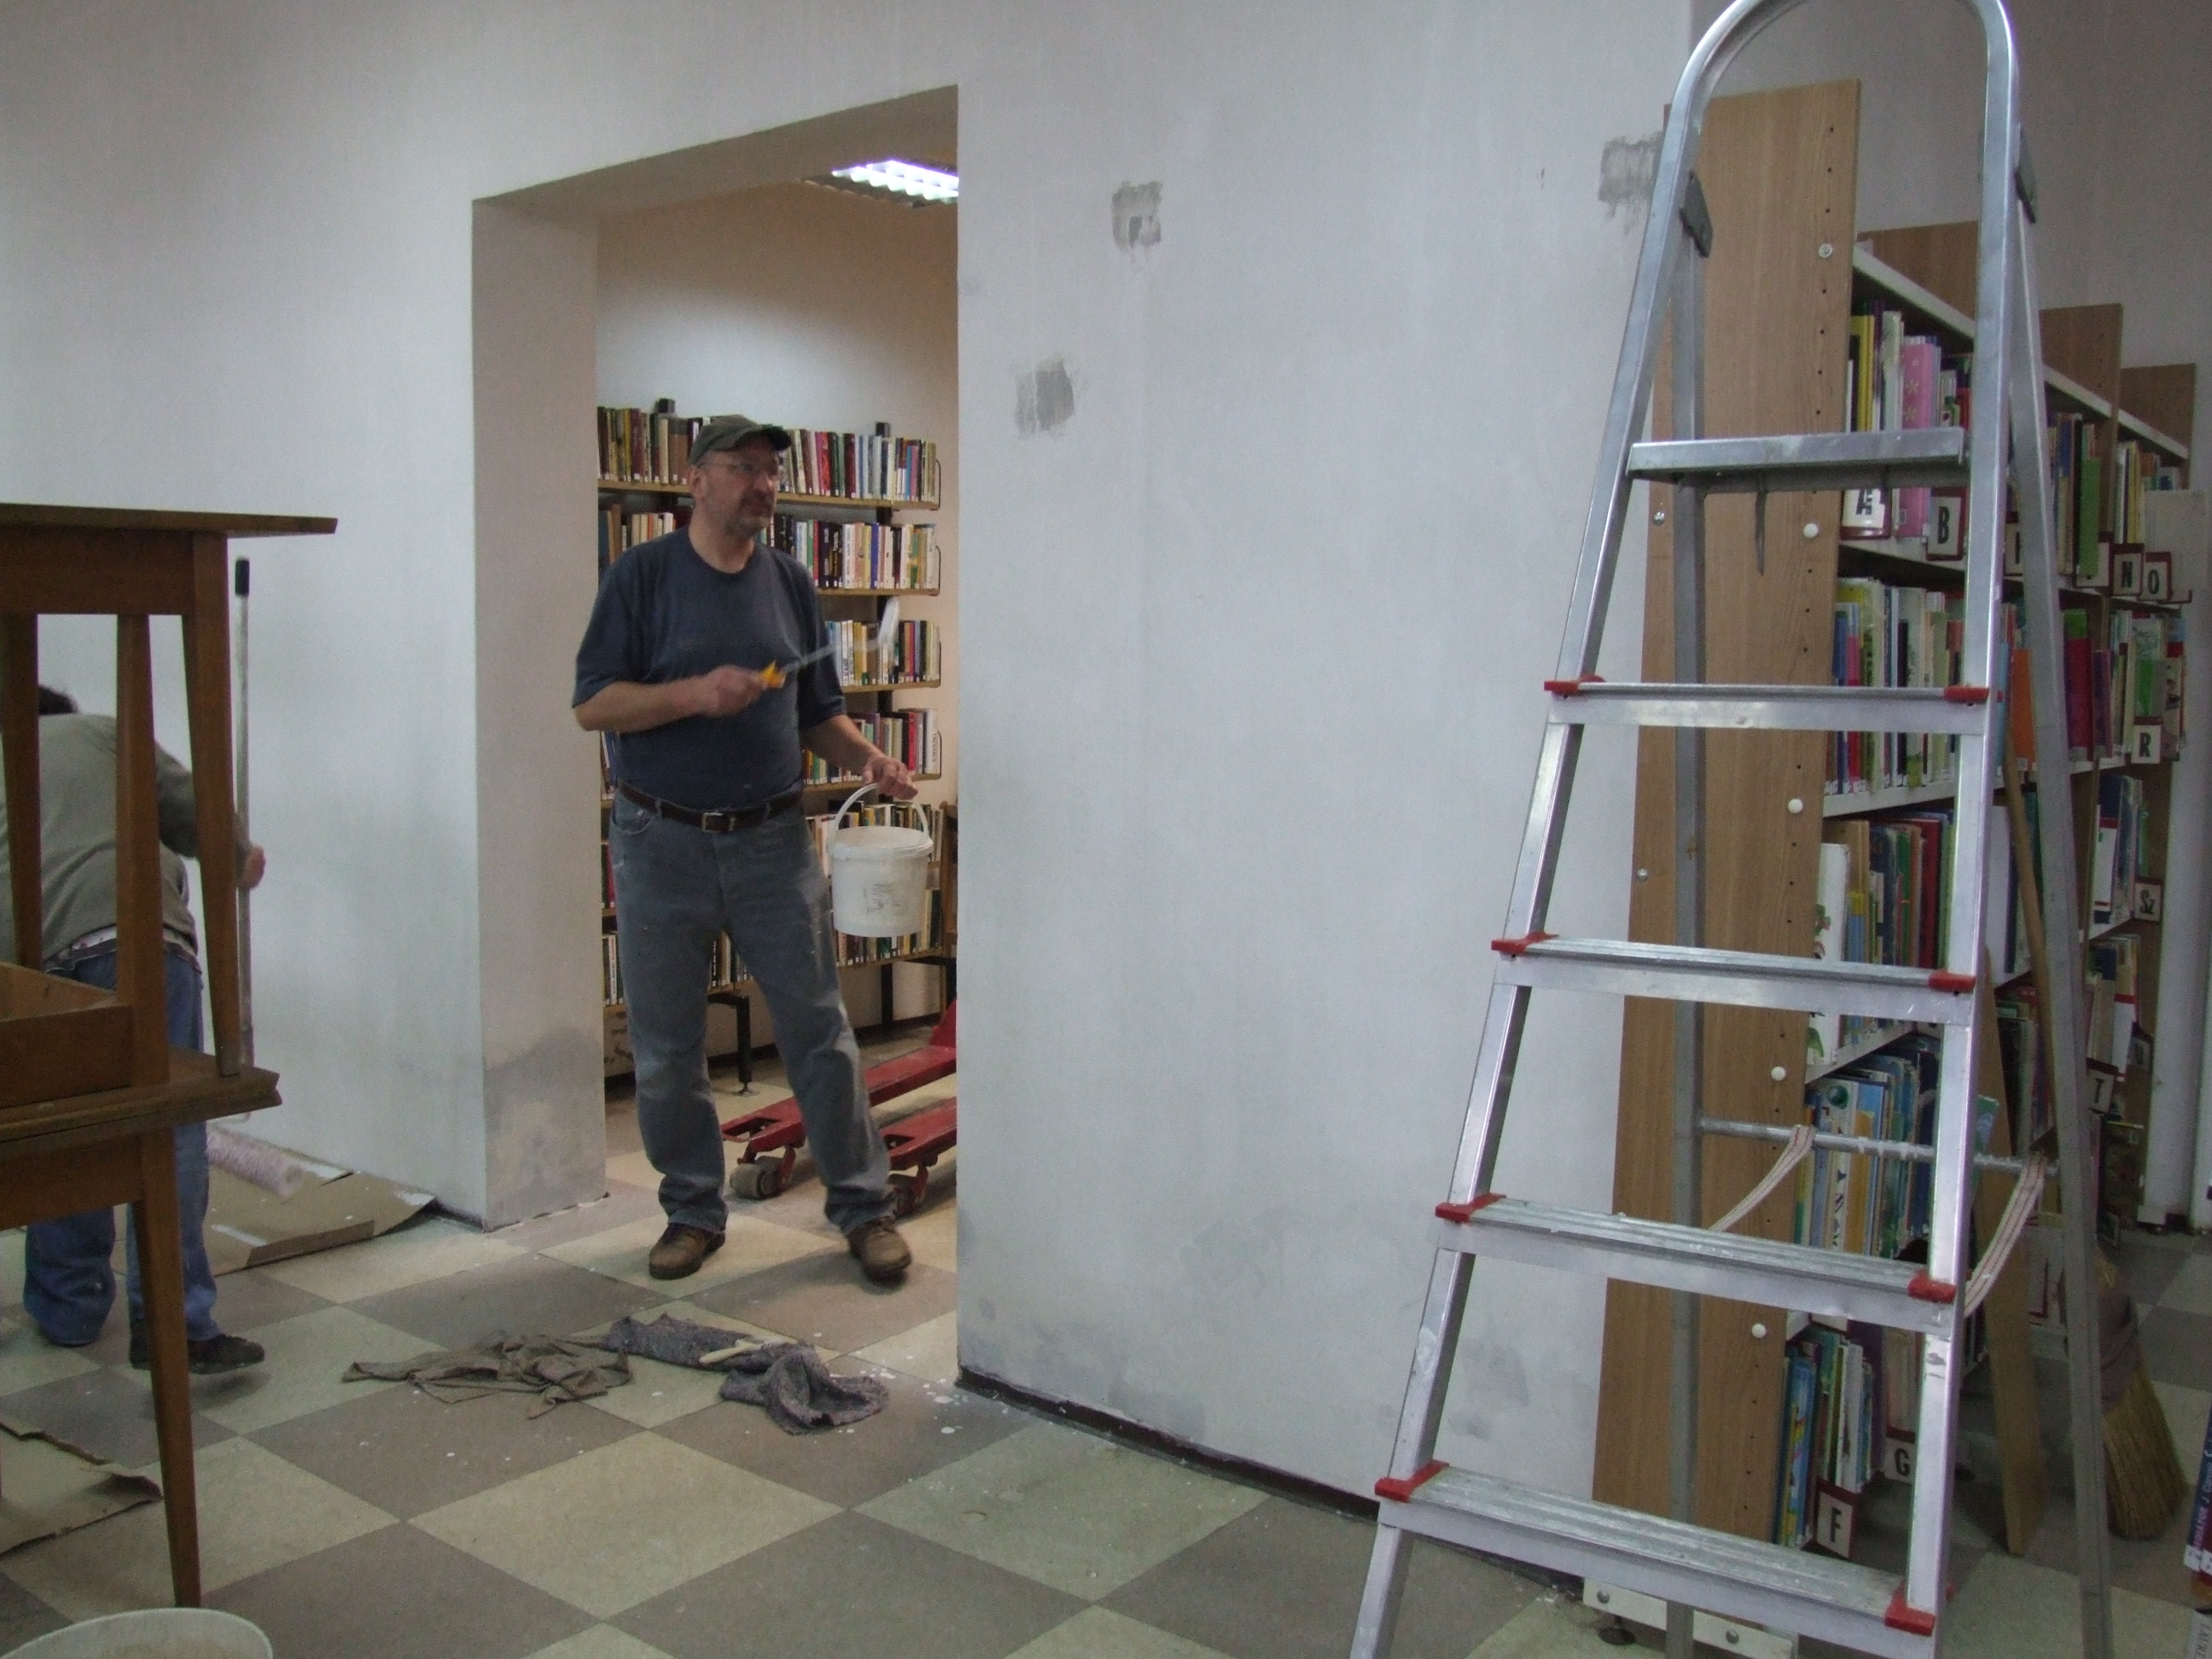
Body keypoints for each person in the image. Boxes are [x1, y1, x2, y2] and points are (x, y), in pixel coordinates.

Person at [573, 415, 916, 1284]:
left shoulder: (791, 583)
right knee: (665, 1048)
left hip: (772, 839)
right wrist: (691, 694)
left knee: (819, 1030)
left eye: (771, 471)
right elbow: (593, 706)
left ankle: (864, 1207)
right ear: (696, 480)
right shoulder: (641, 577)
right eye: (744, 468)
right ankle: (692, 1211)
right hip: (660, 840)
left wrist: (868, 759)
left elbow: (817, 715)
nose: (764, 484)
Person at [0, 686, 268, 1371]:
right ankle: (176, 1328)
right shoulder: (101, 734)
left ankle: (68, 1307)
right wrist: (239, 856)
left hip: (29, 965)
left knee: (64, 1124)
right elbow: (197, 809)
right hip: (135, 936)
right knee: (167, 1127)